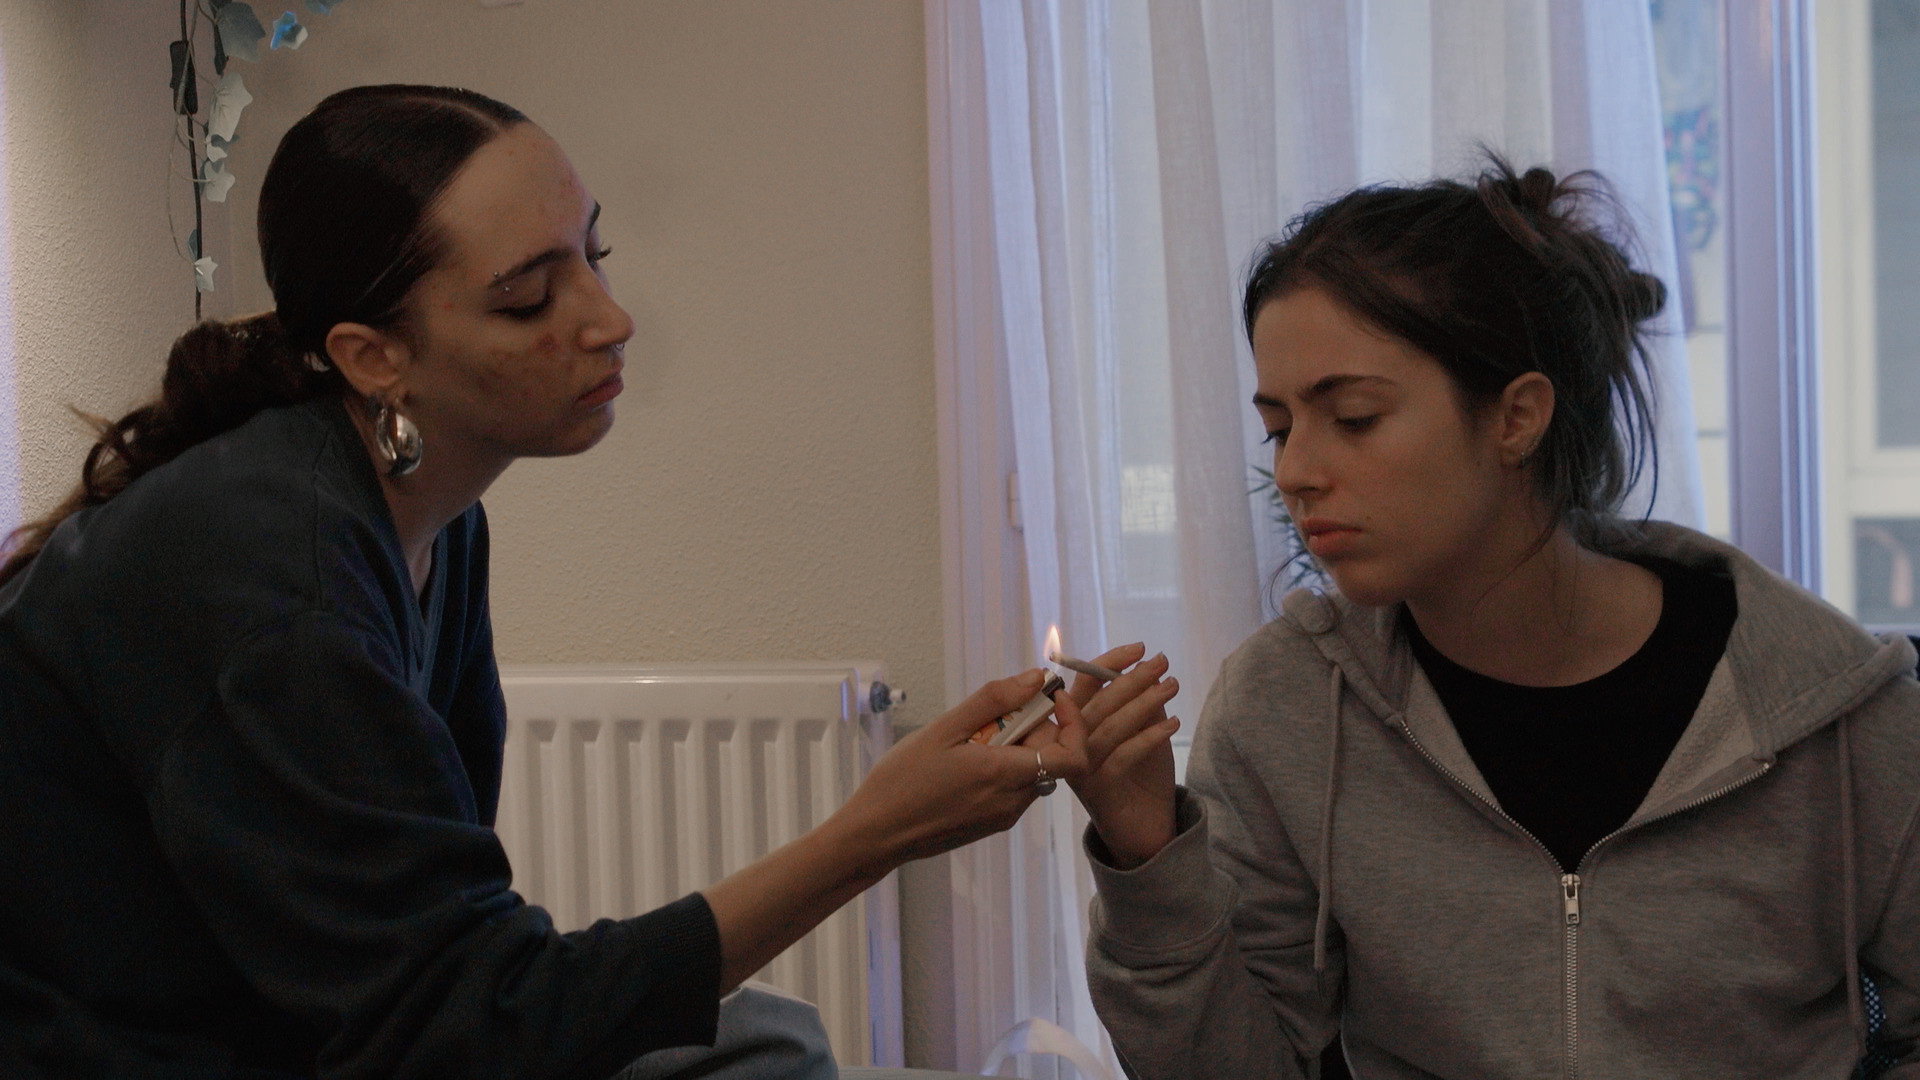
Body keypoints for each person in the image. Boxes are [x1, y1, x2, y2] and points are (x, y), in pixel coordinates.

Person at [0, 84, 1174, 1080]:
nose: (609, 320)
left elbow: (453, 964)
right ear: (374, 356)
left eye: (594, 259)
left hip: (322, 1032)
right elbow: (463, 1026)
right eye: (529, 296)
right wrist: (870, 836)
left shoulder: (432, 522)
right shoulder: (271, 576)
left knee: (765, 1040)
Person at [1065, 159, 1920, 1078]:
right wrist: (1147, 856)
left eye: (1353, 416)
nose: (1296, 472)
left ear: (1517, 418)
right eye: (1280, 427)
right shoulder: (1287, 711)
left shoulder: (1837, 717)